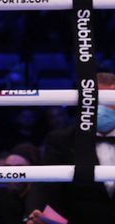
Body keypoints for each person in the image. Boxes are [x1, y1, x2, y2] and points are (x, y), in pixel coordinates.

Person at [24, 72, 115, 223]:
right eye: (97, 101)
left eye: (109, 101)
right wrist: (37, 216)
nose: (102, 108)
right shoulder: (62, 140)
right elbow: (45, 187)